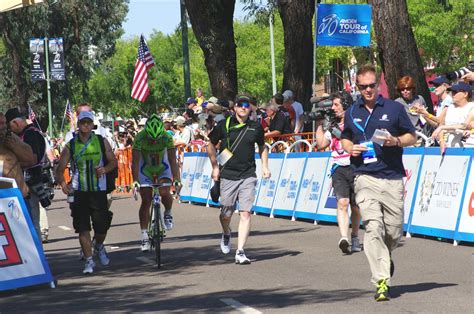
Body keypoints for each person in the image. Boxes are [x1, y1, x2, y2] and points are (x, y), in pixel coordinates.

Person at [341, 64, 417, 301]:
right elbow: (345, 137)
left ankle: (386, 254)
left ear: (378, 85)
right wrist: (349, 147)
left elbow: (412, 136)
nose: (368, 90)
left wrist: (396, 141)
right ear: (357, 87)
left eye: (372, 85)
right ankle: (381, 280)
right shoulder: (352, 112)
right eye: (363, 87)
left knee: (394, 232)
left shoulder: (394, 108)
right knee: (373, 226)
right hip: (364, 176)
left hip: (392, 176)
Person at [207, 95, 271, 264]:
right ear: (234, 107)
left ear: (250, 108)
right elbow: (211, 144)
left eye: (246, 105)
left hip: (248, 174)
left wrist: (265, 166)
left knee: (246, 212)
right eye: (240, 105)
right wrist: (215, 166)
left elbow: (262, 147)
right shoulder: (224, 125)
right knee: (226, 213)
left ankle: (240, 251)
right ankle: (226, 232)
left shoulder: (256, 127)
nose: (243, 107)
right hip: (228, 173)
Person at [55, 111, 117, 274]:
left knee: (102, 225)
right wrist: (62, 183)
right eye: (83, 122)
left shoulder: (101, 141)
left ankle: (99, 245)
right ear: (79, 124)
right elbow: (59, 168)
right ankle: (89, 261)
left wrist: (105, 169)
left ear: (92, 124)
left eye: (88, 122)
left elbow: (113, 162)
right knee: (82, 227)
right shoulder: (72, 145)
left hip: (98, 190)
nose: (86, 125)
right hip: (79, 190)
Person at [315, 92, 361, 254]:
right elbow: (320, 144)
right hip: (339, 169)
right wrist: (319, 123)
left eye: (336, 105)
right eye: (332, 105)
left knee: (356, 207)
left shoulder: (355, 123)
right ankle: (344, 237)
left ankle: (355, 236)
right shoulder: (332, 126)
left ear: (345, 106)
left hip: (356, 167)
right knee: (342, 203)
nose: (333, 108)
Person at [131, 114, 181, 252]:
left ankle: (168, 212)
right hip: (145, 168)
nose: (154, 142)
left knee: (165, 191)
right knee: (146, 200)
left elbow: (172, 160)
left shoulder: (167, 137)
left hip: (162, 167)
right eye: (151, 139)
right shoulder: (139, 138)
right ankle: (144, 236)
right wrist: (135, 180)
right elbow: (135, 162)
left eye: (156, 139)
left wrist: (176, 178)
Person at [6, 108, 47, 240]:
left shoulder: (31, 134)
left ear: (16, 123)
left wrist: (11, 164)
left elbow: (32, 159)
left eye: (9, 126)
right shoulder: (28, 134)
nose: (9, 131)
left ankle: (37, 253)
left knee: (32, 221)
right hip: (26, 182)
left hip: (32, 182)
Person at [431, 81, 474, 152]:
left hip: (466, 148)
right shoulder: (449, 107)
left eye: (455, 92)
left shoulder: (471, 107)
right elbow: (441, 126)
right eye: (451, 92)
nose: (452, 94)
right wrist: (441, 140)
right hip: (449, 148)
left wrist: (442, 127)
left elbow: (464, 126)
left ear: (465, 94)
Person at [0, 112, 33, 199]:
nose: (2, 126)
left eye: (4, 123)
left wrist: (15, 148)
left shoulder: (11, 138)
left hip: (17, 197)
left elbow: (30, 159)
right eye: (0, 123)